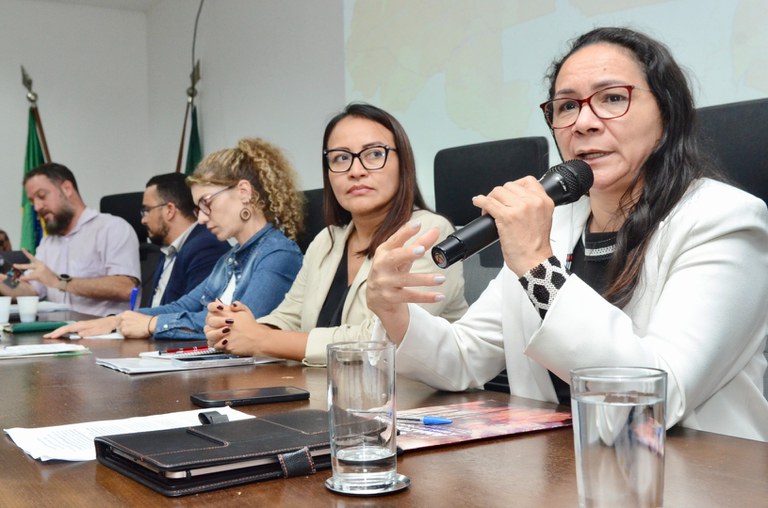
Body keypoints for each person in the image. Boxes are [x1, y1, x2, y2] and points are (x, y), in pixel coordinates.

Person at [365, 27, 768, 442]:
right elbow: (463, 358)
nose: (583, 123)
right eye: (567, 106)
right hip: (555, 472)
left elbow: (653, 401)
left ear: (667, 117)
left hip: (694, 478)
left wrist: (538, 265)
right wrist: (391, 309)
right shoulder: (555, 225)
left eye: (613, 98)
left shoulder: (725, 220)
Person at [204, 103, 468, 366]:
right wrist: (237, 327)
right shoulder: (327, 240)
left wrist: (262, 340)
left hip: (416, 400)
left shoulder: (427, 233)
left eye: (374, 154)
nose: (356, 170)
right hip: (326, 393)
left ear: (403, 164)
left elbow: (380, 342)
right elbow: (291, 317)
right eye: (341, 158)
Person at [46, 138, 304, 340]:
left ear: (244, 192)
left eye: (206, 203)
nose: (201, 219)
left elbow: (234, 326)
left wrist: (151, 324)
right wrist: (118, 320)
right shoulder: (230, 258)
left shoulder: (278, 255)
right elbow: (184, 306)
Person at [0, 163, 140, 316]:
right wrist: (3, 281)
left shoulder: (111, 228)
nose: (37, 207)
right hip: (57, 332)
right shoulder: (48, 242)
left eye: (41, 196)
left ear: (67, 189)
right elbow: (31, 291)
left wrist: (60, 282)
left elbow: (126, 288)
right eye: (33, 202)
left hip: (104, 333)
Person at [141, 173, 230, 306]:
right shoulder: (169, 248)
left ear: (169, 210)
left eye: (147, 210)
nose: (143, 220)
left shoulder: (205, 247)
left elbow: (191, 313)